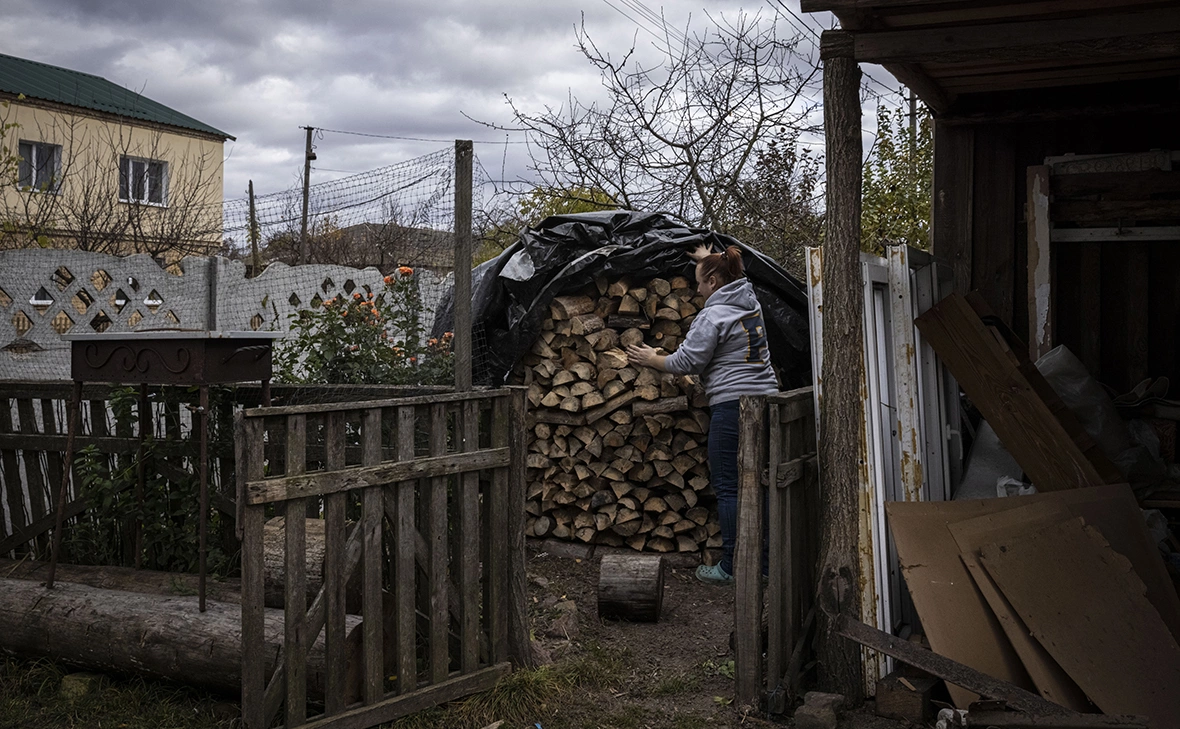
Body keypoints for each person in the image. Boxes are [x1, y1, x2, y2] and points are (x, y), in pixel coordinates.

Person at [625, 244, 778, 585]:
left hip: (733, 406)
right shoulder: (748, 301)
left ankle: (731, 566)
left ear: (713, 282)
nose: (696, 290)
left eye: (699, 282)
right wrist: (709, 259)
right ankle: (766, 565)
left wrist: (652, 359)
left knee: (728, 486)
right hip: (766, 400)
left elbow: (687, 362)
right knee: (761, 484)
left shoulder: (713, 315)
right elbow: (734, 271)